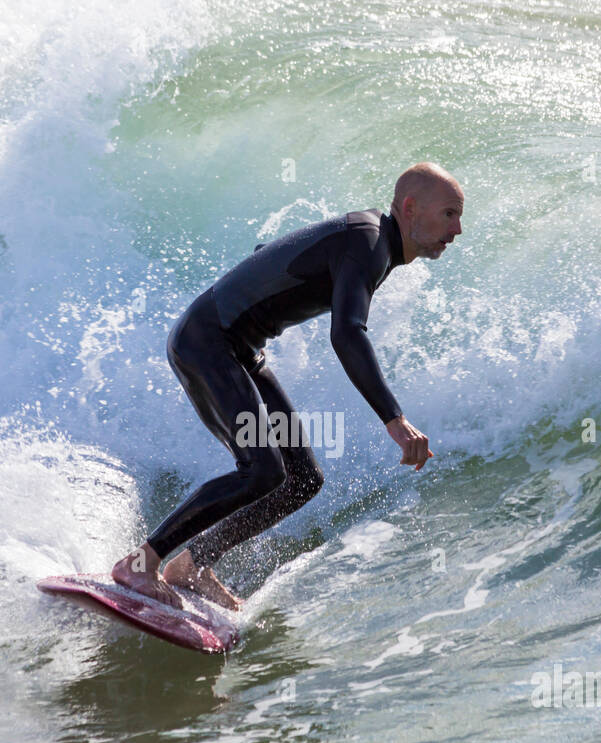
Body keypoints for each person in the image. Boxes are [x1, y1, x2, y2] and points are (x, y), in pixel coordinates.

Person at [111, 162, 464, 610]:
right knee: (261, 469)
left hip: (240, 350)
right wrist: (393, 419)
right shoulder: (369, 242)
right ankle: (141, 563)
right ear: (411, 208)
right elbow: (348, 332)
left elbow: (273, 251)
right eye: (449, 214)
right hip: (209, 342)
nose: (457, 229)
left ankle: (192, 566)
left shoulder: (368, 237)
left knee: (301, 479)